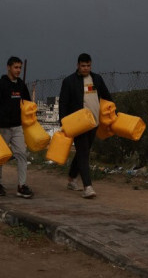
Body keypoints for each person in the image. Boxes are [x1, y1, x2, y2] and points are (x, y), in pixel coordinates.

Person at [59, 53, 112, 199]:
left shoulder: (97, 79)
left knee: (84, 151)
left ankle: (71, 178)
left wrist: (113, 113)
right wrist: (62, 121)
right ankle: (88, 187)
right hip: (78, 124)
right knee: (83, 152)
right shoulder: (69, 81)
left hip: (94, 123)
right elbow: (63, 102)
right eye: (83, 66)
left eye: (88, 65)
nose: (86, 68)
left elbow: (107, 97)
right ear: (78, 65)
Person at [0, 56, 34, 199]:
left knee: (21, 154)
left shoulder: (21, 85)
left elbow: (27, 103)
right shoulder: (0, 84)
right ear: (8, 67)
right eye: (16, 67)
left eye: (20, 67)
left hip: (17, 127)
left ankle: (22, 185)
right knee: (0, 156)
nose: (18, 70)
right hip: (2, 128)